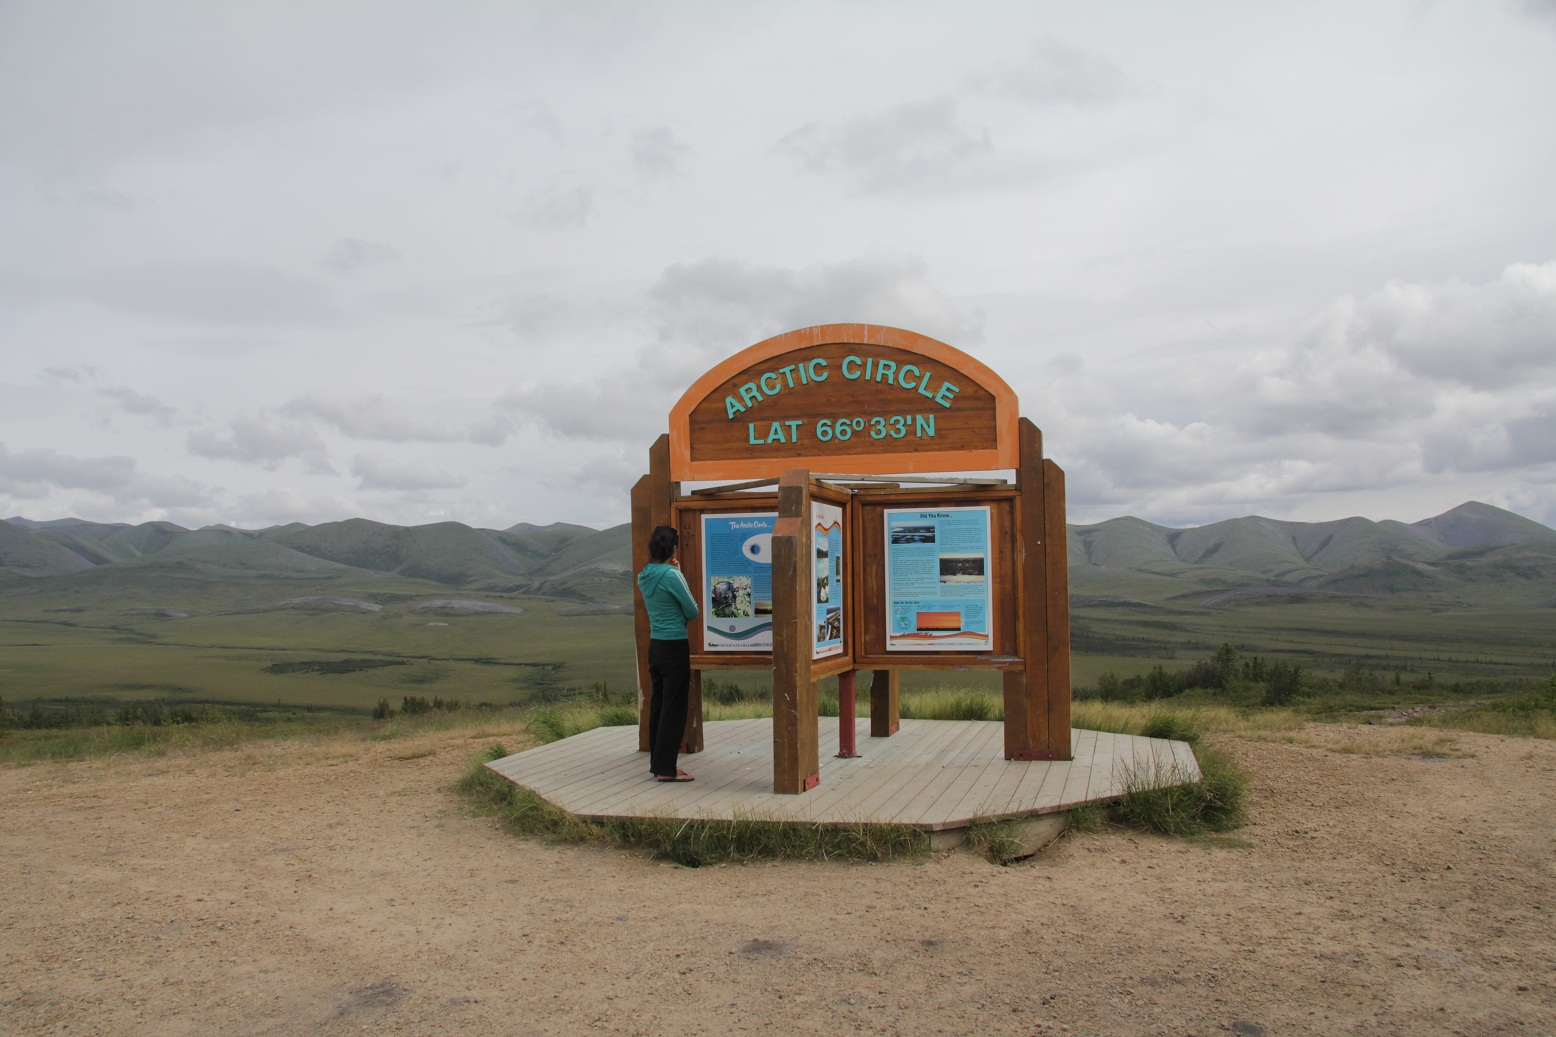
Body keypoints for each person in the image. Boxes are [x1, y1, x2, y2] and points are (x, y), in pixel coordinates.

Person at [637, 524, 699, 781]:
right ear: (673, 547)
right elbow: (692, 611)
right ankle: (666, 769)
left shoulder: (644, 575)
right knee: (674, 708)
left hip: (656, 646)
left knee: (659, 705)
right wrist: (678, 574)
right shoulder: (673, 575)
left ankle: (659, 764)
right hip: (674, 646)